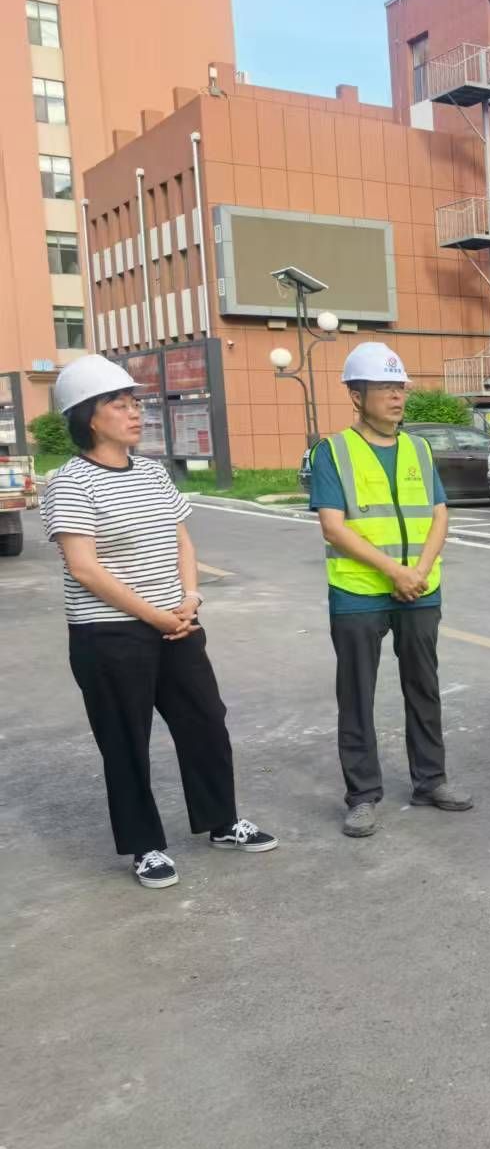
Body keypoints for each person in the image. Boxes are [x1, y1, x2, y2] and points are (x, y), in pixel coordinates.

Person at [43, 356, 278, 890]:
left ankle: (222, 821)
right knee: (126, 741)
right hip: (109, 635)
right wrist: (156, 616)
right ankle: (144, 846)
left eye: (135, 403)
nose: (135, 413)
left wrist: (190, 599)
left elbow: (182, 542)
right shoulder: (71, 483)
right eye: (119, 404)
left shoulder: (152, 472)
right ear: (88, 417)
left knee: (206, 721)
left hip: (177, 624)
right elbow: (84, 568)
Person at [310, 342, 472, 837]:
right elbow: (333, 526)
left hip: (421, 587)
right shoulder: (333, 451)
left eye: (400, 387)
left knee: (424, 687)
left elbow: (439, 514)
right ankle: (362, 795)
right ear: (356, 396)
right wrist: (393, 572)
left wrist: (418, 570)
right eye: (385, 388)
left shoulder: (419, 448)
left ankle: (431, 780)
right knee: (356, 694)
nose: (397, 397)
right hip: (358, 591)